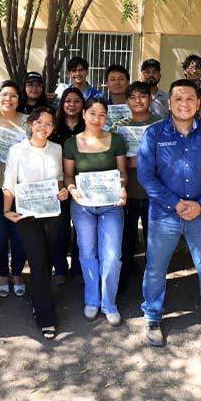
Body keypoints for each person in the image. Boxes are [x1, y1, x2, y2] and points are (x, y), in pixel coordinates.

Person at [137, 79, 201, 349]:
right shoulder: (154, 133)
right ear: (169, 103)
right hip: (164, 215)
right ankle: (152, 317)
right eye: (178, 99)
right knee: (156, 268)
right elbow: (146, 176)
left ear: (198, 103)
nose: (184, 104)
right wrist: (175, 203)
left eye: (190, 99)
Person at [2, 107, 68, 339]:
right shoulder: (17, 150)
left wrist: (63, 192)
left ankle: (38, 299)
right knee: (39, 261)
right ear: (31, 123)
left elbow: (59, 179)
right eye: (39, 122)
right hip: (26, 215)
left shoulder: (57, 149)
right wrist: (6, 210)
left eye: (49, 124)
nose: (44, 127)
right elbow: (9, 182)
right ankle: (45, 317)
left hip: (52, 213)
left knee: (47, 261)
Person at [63, 97, 128, 325]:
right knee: (87, 254)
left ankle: (109, 303)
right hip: (83, 206)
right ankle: (92, 300)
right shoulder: (71, 143)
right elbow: (68, 175)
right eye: (92, 113)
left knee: (111, 256)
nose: (97, 119)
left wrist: (122, 189)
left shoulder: (116, 140)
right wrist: (73, 190)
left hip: (112, 206)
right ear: (84, 115)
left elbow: (122, 173)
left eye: (101, 115)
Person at [0, 81, 29, 296]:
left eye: (13, 96)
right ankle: (2, 272)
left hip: (20, 187)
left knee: (20, 234)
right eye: (4, 95)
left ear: (20, 100)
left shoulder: (28, 122)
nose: (8, 99)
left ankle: (17, 271)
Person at [112, 81, 161, 283]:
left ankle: (154, 279)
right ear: (127, 101)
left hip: (155, 193)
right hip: (128, 191)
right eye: (132, 97)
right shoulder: (118, 127)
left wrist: (146, 162)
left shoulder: (161, 124)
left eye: (142, 96)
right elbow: (111, 157)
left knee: (155, 239)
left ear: (150, 99)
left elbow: (171, 156)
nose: (138, 101)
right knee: (126, 238)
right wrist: (124, 161)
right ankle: (124, 279)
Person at [51, 86, 85, 283]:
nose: (71, 105)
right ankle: (60, 268)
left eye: (76, 101)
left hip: (83, 185)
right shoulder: (54, 129)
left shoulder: (88, 127)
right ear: (62, 104)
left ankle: (79, 268)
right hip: (58, 186)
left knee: (82, 229)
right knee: (60, 229)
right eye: (68, 101)